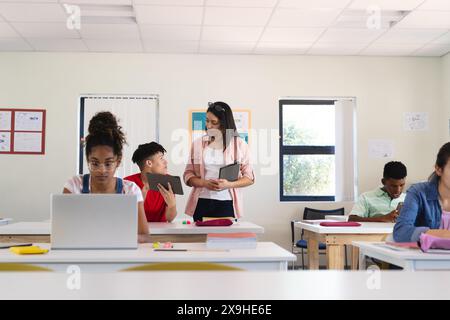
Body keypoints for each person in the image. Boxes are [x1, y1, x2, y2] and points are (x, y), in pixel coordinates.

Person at [63, 111, 149, 236]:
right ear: (88, 160)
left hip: (120, 254)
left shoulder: (130, 191)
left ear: (118, 161)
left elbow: (144, 236)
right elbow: (63, 232)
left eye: (108, 164)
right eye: (95, 163)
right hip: (82, 254)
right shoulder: (74, 186)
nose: (101, 170)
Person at [183, 101, 255, 222]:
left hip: (227, 203)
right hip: (201, 202)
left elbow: (249, 178)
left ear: (224, 123)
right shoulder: (198, 144)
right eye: (207, 121)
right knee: (201, 240)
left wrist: (228, 185)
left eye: (214, 122)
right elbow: (188, 175)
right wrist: (204, 183)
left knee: (225, 240)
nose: (209, 125)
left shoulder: (240, 145)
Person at [394, 142, 450, 242]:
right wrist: (443, 235)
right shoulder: (418, 192)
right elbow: (401, 231)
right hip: (424, 256)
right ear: (439, 169)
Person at [125, 142, 177, 222]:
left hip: (160, 232)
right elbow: (126, 217)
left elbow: (169, 218)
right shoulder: (128, 183)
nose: (166, 162)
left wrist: (172, 205)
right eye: (161, 158)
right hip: (135, 231)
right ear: (149, 163)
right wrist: (140, 200)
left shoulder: (168, 181)